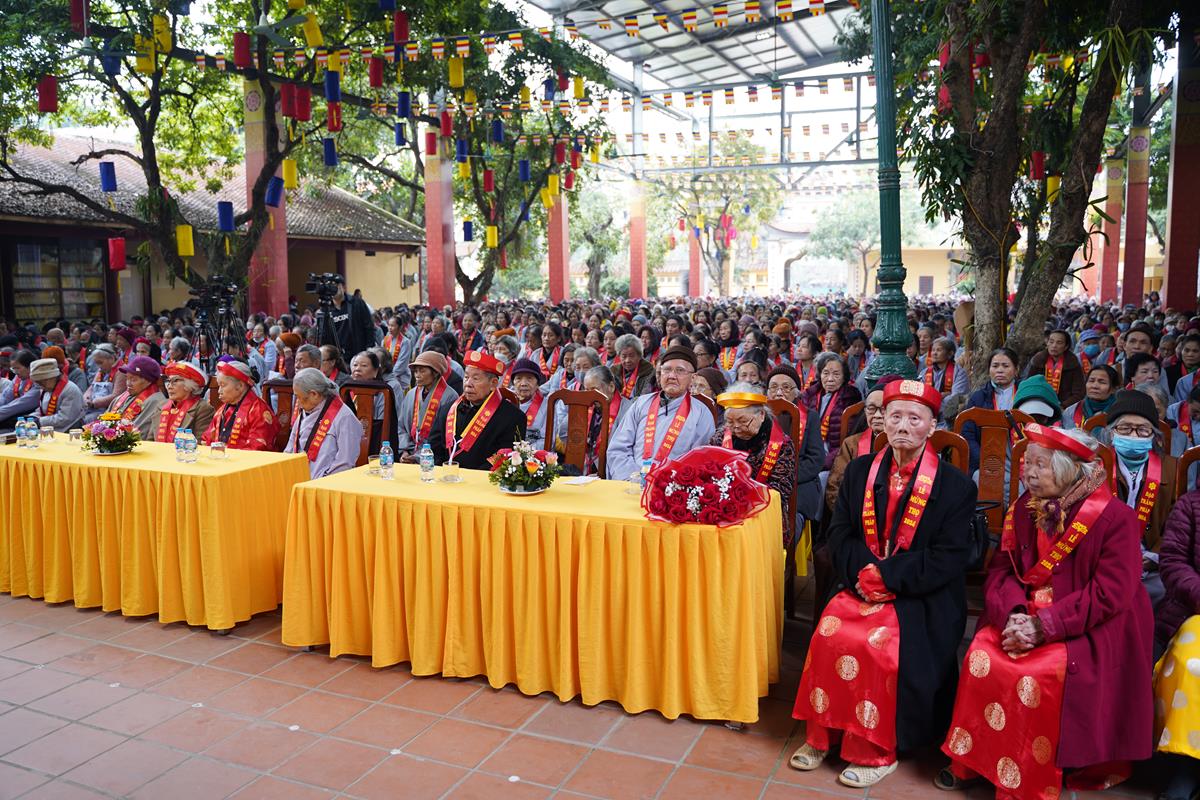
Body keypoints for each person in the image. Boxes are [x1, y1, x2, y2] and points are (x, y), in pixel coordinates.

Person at [939, 425, 1152, 797]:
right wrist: (1013, 614)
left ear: (1069, 470)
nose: (1029, 474)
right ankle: (974, 760)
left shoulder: (1115, 518)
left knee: (1036, 673)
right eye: (1028, 464)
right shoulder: (1026, 506)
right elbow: (1002, 570)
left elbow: (1109, 595)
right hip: (1025, 611)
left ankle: (1024, 775)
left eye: (1041, 465)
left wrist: (1044, 626)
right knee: (982, 653)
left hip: (1087, 623)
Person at [790, 379, 976, 788]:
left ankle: (874, 749)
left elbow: (948, 556)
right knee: (830, 630)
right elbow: (839, 534)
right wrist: (865, 574)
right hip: (860, 581)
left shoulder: (956, 486)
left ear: (932, 426)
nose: (903, 426)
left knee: (878, 644)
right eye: (895, 417)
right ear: (882, 422)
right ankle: (823, 734)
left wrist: (889, 577)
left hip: (920, 594)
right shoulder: (859, 472)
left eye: (915, 418)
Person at [1102, 389, 1176, 608]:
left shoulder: (1173, 469)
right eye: (1125, 428)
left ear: (1154, 435)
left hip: (1153, 565)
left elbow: (1177, 525)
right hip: (1103, 560)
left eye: (1142, 429)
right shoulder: (1095, 466)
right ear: (1111, 433)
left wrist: (1155, 556)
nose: (1133, 435)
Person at [606, 345, 717, 483]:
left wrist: (668, 484)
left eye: (680, 371)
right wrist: (631, 477)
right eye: (667, 370)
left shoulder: (701, 413)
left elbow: (700, 461)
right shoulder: (641, 403)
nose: (671, 376)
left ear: (693, 378)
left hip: (673, 487)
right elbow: (618, 449)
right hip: (632, 482)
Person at [1152, 486, 1200, 800]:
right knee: (1192, 665)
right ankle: (1187, 766)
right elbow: (1172, 562)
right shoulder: (1191, 505)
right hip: (1195, 610)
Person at [713, 384, 798, 539]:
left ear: (761, 415)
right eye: (730, 422)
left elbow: (781, 489)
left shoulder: (781, 444)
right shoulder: (720, 438)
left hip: (764, 513)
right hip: (723, 510)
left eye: (743, 421)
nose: (736, 427)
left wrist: (743, 502)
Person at [436, 350, 525, 469]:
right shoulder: (448, 409)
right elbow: (434, 448)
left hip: (483, 478)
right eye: (466, 377)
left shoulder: (513, 417)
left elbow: (504, 458)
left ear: (493, 384)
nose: (468, 383)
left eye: (476, 378)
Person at [825, 377, 900, 511]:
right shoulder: (852, 443)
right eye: (871, 409)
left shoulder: (903, 444)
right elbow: (835, 487)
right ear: (865, 411)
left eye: (883, 409)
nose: (877, 415)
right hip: (854, 513)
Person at [284, 367, 362, 478]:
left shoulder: (344, 417)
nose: (299, 404)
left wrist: (322, 481)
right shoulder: (306, 410)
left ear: (314, 394)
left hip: (326, 482)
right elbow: (290, 448)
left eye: (299, 397)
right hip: (298, 477)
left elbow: (345, 462)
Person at [958, 348, 1020, 475]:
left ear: (1016, 370)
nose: (1000, 370)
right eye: (995, 366)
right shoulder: (978, 398)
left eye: (1005, 366)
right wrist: (984, 459)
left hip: (1020, 457)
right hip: (986, 459)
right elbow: (968, 434)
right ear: (989, 369)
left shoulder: (1024, 393)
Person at [800, 352, 863, 469]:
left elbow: (848, 441)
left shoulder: (850, 398)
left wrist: (822, 464)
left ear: (844, 377)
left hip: (833, 458)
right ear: (819, 374)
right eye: (826, 373)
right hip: (807, 454)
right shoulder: (809, 395)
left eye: (836, 374)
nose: (830, 379)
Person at [201, 361, 280, 451]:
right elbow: (207, 439)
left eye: (223, 385)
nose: (219, 391)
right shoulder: (222, 410)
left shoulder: (259, 411)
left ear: (240, 386)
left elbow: (258, 448)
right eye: (219, 386)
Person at [397, 351, 457, 459]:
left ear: (435, 372)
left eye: (422, 371)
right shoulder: (411, 394)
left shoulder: (450, 396)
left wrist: (418, 457)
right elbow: (401, 426)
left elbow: (445, 436)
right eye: (416, 371)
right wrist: (405, 451)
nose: (417, 375)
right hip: (409, 452)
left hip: (433, 456)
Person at [107, 355, 165, 440]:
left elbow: (137, 435)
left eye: (133, 380)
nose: (128, 383)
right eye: (127, 378)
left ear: (149, 380)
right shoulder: (121, 397)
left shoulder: (156, 401)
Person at [155, 362, 214, 443]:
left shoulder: (202, 408)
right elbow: (150, 440)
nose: (169, 386)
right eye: (168, 381)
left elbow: (200, 444)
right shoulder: (161, 406)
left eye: (175, 381)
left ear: (189, 385)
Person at [1026, 330, 1085, 408]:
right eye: (1051, 342)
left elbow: (1079, 393)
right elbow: (1029, 386)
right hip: (1038, 404)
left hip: (1065, 407)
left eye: (1059, 343)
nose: (1054, 345)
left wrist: (1063, 406)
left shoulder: (1073, 364)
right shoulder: (1037, 361)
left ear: (1066, 346)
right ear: (1047, 343)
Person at [31, 357, 84, 432]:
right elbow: (42, 411)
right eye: (38, 383)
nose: (41, 386)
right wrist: (32, 417)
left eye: (42, 382)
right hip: (49, 428)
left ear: (52, 378)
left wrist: (40, 421)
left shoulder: (70, 390)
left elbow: (65, 418)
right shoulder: (45, 389)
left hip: (68, 429)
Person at [328, 275, 375, 357]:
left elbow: (368, 326)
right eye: (330, 287)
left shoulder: (357, 303)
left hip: (359, 352)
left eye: (335, 286)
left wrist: (369, 348)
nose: (333, 290)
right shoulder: (326, 309)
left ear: (344, 287)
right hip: (338, 356)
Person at [1062, 364, 1119, 429]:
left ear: (1114, 389)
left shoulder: (1120, 413)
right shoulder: (1071, 412)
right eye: (1091, 381)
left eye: (1102, 382)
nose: (1094, 386)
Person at [510, 358, 550, 446]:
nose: (523, 383)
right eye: (518, 378)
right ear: (513, 383)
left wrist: (522, 452)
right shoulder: (506, 403)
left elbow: (547, 440)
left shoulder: (548, 406)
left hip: (534, 453)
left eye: (529, 378)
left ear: (537, 384)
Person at [81, 343, 123, 423]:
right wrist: (86, 398)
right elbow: (91, 387)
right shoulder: (101, 371)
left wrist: (94, 403)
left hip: (109, 411)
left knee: (85, 420)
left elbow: (116, 396)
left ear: (111, 359)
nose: (98, 366)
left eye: (100, 362)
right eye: (97, 363)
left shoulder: (121, 372)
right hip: (93, 407)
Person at [0, 350, 40, 429]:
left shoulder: (39, 381)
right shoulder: (18, 377)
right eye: (13, 369)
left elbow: (18, 405)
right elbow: (5, 397)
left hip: (28, 418)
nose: (15, 372)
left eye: (17, 368)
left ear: (30, 367)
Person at [612, 334, 656, 399]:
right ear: (619, 356)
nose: (627, 360)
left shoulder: (649, 371)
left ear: (639, 355)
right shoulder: (613, 371)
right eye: (624, 356)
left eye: (631, 356)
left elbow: (645, 397)